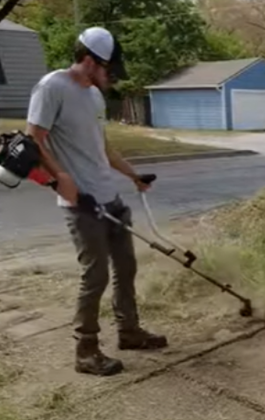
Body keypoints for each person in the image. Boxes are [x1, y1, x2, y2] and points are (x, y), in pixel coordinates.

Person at [25, 26, 167, 377]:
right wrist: (63, 180)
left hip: (110, 198)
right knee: (96, 276)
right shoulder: (51, 88)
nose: (111, 76)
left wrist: (132, 175)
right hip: (82, 204)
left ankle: (129, 332)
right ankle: (85, 350)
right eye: (108, 69)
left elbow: (102, 146)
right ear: (89, 61)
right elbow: (34, 141)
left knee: (127, 268)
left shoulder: (94, 97)